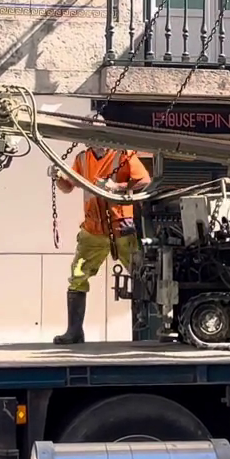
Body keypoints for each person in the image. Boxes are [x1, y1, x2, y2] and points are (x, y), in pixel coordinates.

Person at [51, 145, 151, 344]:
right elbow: (68, 187)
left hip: (121, 227)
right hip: (93, 229)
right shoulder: (82, 158)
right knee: (78, 275)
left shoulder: (123, 155)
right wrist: (58, 177)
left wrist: (117, 187)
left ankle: (146, 326)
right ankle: (74, 331)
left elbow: (144, 180)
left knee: (141, 274)